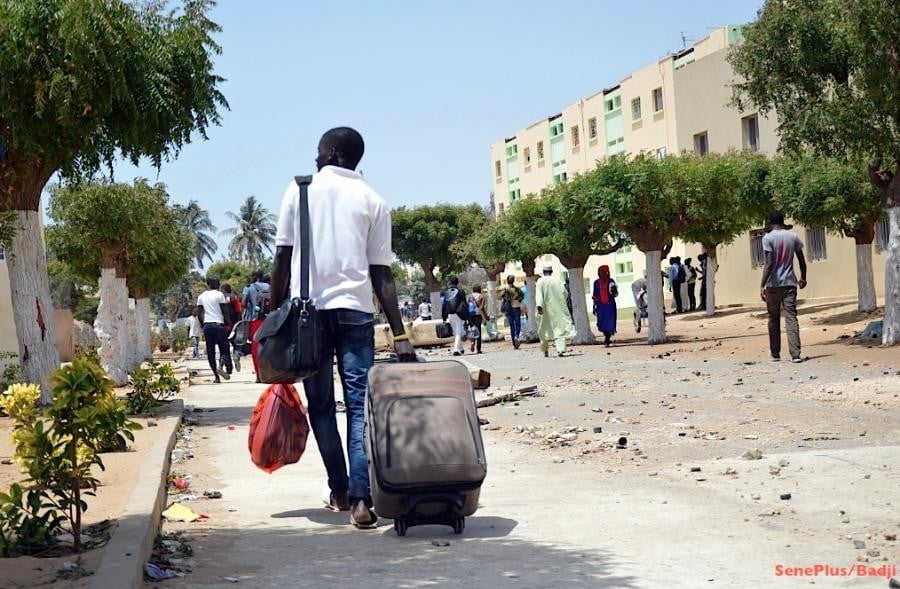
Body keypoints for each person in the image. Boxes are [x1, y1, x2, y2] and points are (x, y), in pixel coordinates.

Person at [270, 126, 415, 529]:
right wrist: (400, 335)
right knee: (358, 407)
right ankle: (360, 498)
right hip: (356, 313)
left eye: (319, 150)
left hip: (307, 316)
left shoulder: (299, 190)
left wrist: (272, 315)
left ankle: (338, 487)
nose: (315, 157)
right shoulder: (374, 200)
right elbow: (382, 276)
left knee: (320, 406)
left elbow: (281, 260)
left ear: (332, 152)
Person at [760, 210, 807, 363]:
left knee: (773, 318)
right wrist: (803, 277)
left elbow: (768, 263)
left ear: (770, 222)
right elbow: (801, 260)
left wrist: (762, 285)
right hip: (789, 283)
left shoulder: (767, 238)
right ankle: (795, 354)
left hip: (773, 285)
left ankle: (775, 353)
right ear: (783, 220)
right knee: (791, 317)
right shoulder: (792, 236)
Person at [195, 277, 232, 383]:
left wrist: (203, 325)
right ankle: (221, 365)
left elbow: (199, 313)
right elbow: (224, 311)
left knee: (210, 352)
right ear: (216, 284)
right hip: (219, 325)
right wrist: (229, 323)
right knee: (224, 349)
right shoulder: (219, 295)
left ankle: (216, 377)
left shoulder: (201, 296)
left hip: (207, 326)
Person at [536, 266, 576, 357]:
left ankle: (545, 349)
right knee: (559, 329)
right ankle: (560, 350)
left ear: (543, 272)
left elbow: (538, 295)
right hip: (558, 308)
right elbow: (564, 293)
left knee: (544, 329)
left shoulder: (540, 281)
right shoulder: (557, 280)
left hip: (545, 309)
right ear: (551, 271)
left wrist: (539, 306)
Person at [592, 265, 618, 347]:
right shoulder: (596, 283)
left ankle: (607, 338)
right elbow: (595, 295)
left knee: (610, 322)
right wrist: (594, 306)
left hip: (609, 305)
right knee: (601, 322)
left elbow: (615, 294)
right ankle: (606, 336)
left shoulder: (611, 281)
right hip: (600, 306)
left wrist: (613, 290)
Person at [442, 276, 467, 356]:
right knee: (458, 332)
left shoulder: (446, 292)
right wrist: (466, 316)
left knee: (456, 332)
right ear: (457, 282)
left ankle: (461, 348)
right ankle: (456, 349)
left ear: (450, 283)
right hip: (458, 314)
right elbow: (464, 304)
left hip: (449, 314)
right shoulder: (460, 291)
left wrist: (444, 317)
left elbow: (444, 305)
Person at [220, 283, 243, 372]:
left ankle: (225, 367)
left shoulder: (219, 298)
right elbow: (238, 311)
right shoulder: (234, 298)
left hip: (222, 326)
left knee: (224, 348)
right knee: (236, 344)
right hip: (233, 326)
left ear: (222, 289)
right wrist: (240, 324)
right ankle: (236, 356)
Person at [500, 274, 524, 349]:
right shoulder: (517, 289)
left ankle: (514, 343)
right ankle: (517, 336)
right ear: (513, 281)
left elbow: (501, 296)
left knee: (511, 326)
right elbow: (521, 297)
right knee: (518, 324)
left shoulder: (505, 289)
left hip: (508, 309)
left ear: (507, 281)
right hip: (516, 307)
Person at [468, 284, 489, 354]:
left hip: (470, 315)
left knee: (472, 330)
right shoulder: (481, 296)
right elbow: (482, 308)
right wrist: (486, 317)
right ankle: (478, 348)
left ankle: (472, 342)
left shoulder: (469, 296)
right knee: (478, 331)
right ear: (479, 290)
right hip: (477, 315)